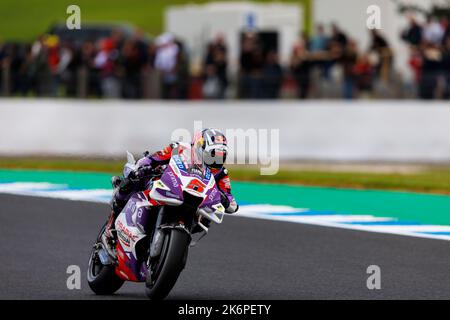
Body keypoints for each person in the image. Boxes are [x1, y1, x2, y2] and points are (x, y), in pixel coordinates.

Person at [104, 128, 239, 242]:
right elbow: (154, 158)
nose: (217, 160)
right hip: (168, 185)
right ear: (199, 147)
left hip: (194, 203)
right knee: (133, 180)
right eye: (213, 155)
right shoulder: (180, 148)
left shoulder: (221, 173)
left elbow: (232, 203)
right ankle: (112, 224)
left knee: (206, 219)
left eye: (221, 156)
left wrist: (224, 199)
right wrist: (143, 166)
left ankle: (177, 241)